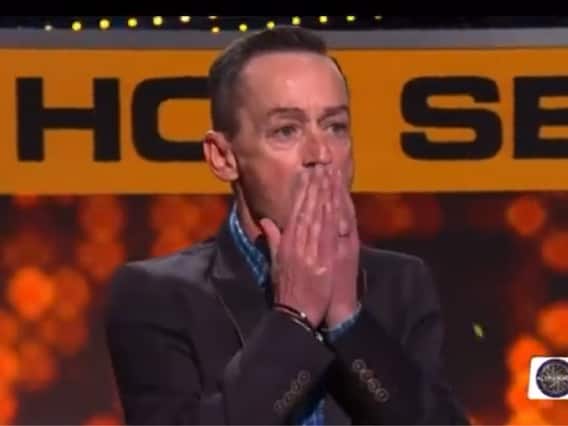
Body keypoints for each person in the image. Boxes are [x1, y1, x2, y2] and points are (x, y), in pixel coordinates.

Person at [105, 26, 470, 425]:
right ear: (223, 157)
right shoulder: (157, 295)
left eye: (335, 126)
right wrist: (294, 319)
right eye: (286, 131)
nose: (320, 154)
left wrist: (347, 320)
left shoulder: (401, 283)